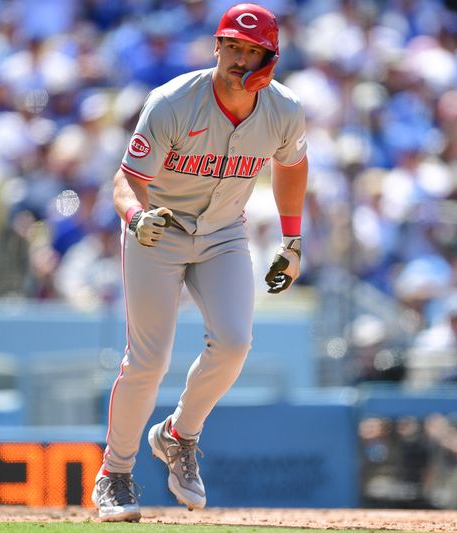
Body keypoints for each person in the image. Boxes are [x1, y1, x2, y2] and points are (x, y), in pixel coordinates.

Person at [92, 3, 308, 522]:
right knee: (148, 360)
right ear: (216, 45)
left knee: (235, 342)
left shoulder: (283, 109)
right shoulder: (172, 101)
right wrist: (135, 216)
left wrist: (293, 241)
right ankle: (114, 475)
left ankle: (178, 436)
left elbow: (293, 165)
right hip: (158, 230)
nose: (237, 57)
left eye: (249, 49)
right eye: (230, 45)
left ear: (268, 58)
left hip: (224, 232)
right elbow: (127, 178)